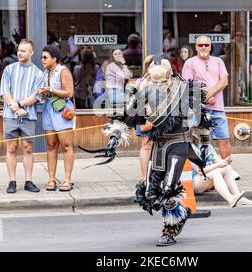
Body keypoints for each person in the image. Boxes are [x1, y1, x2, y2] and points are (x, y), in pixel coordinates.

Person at [82, 54, 216, 246]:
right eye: (155, 80)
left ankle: (169, 229)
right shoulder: (145, 90)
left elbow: (202, 118)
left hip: (180, 142)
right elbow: (127, 115)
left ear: (169, 74)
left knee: (170, 187)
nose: (158, 83)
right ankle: (183, 211)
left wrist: (204, 144)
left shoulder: (185, 88)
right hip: (159, 144)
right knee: (151, 192)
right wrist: (115, 136)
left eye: (161, 79)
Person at [182, 35, 240, 180]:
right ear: (196, 47)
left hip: (218, 107)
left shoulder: (218, 61)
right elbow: (188, 85)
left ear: (210, 46)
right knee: (197, 139)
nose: (203, 48)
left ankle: (228, 169)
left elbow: (224, 80)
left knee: (224, 138)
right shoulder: (190, 63)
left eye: (206, 45)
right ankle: (202, 170)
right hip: (198, 109)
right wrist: (204, 97)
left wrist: (211, 93)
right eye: (200, 45)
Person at [0, 39, 43, 193]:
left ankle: (28, 181)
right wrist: (15, 107)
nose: (19, 52)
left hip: (28, 116)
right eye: (19, 50)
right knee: (11, 148)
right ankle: (12, 181)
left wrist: (19, 105)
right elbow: (5, 91)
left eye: (24, 50)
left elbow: (36, 96)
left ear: (31, 52)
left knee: (28, 148)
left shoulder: (38, 73)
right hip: (10, 116)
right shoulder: (9, 69)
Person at [38, 45, 75, 192]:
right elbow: (44, 95)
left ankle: (67, 180)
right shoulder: (45, 72)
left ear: (54, 59)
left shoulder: (63, 71)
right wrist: (41, 92)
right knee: (51, 145)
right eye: (42, 57)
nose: (42, 60)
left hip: (62, 109)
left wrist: (50, 89)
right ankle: (51, 179)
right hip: (48, 109)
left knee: (66, 145)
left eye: (45, 57)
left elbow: (69, 93)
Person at [191, 140, 252, 207]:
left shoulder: (207, 145)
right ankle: (231, 199)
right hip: (194, 182)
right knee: (215, 173)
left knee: (226, 168)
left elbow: (218, 161)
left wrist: (225, 162)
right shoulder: (190, 148)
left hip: (205, 179)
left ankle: (237, 196)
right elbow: (200, 171)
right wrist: (218, 165)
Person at [135, 55, 154, 180]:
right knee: (146, 146)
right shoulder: (141, 82)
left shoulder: (166, 80)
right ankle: (144, 178)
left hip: (160, 116)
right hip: (146, 115)